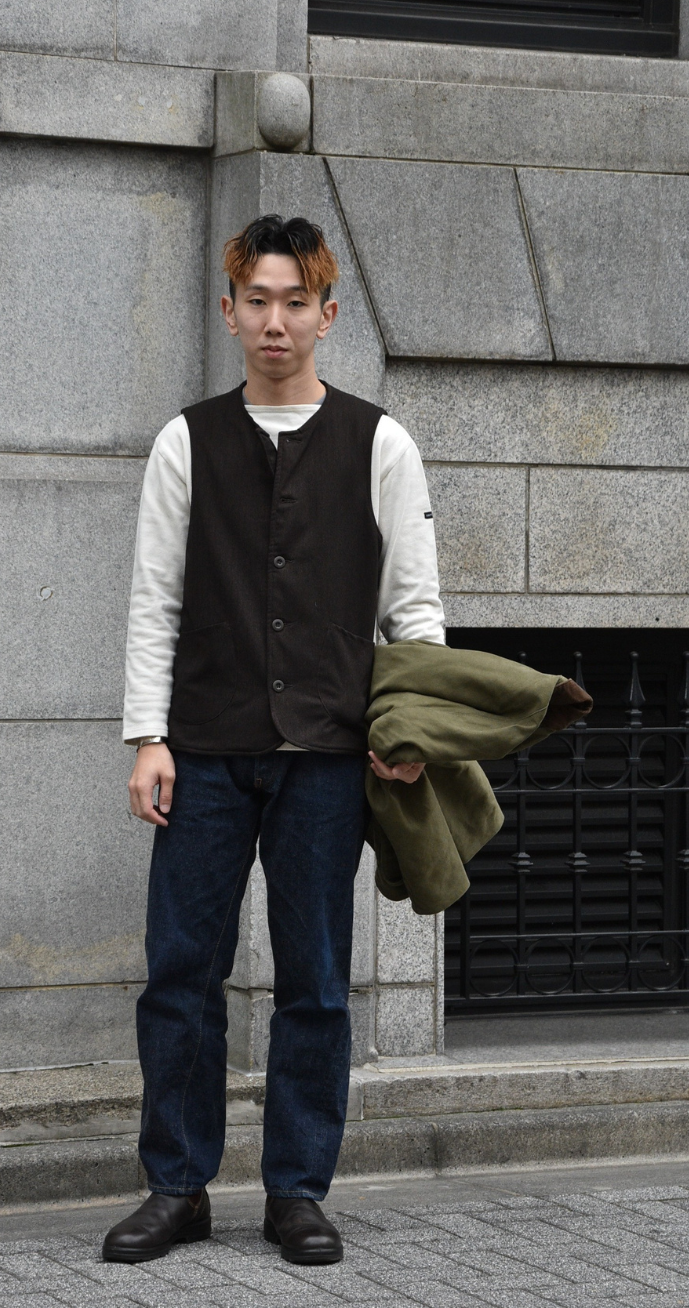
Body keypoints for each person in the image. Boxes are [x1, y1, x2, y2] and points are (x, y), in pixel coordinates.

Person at [102, 215, 445, 1266]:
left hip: (329, 759)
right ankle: (178, 1187)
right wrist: (147, 735)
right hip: (203, 751)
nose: (276, 321)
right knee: (180, 977)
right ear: (230, 310)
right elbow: (154, 599)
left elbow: (415, 613)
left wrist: (411, 734)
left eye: (297, 302)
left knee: (317, 983)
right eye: (258, 300)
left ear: (327, 314)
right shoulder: (185, 441)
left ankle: (297, 1191)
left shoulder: (381, 444)